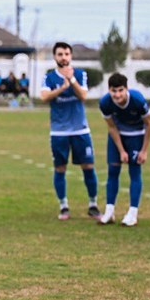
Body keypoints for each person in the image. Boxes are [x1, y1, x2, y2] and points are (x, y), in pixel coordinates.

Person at [40, 42, 100, 220]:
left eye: (66, 54)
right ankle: (64, 206)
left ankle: (93, 204)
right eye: (60, 54)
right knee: (60, 168)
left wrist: (71, 81)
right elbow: (44, 97)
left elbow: (83, 96)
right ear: (55, 57)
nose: (63, 57)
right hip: (59, 132)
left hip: (80, 130)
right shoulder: (49, 77)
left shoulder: (80, 74)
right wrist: (61, 88)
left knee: (88, 167)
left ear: (71, 56)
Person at [98, 73, 150, 226]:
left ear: (126, 89)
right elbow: (112, 127)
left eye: (120, 90)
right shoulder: (105, 103)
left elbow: (149, 124)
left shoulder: (138, 100)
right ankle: (109, 212)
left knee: (134, 172)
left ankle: (132, 213)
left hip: (136, 136)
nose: (117, 94)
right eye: (113, 91)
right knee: (113, 171)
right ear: (109, 90)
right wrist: (121, 150)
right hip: (117, 137)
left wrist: (144, 150)